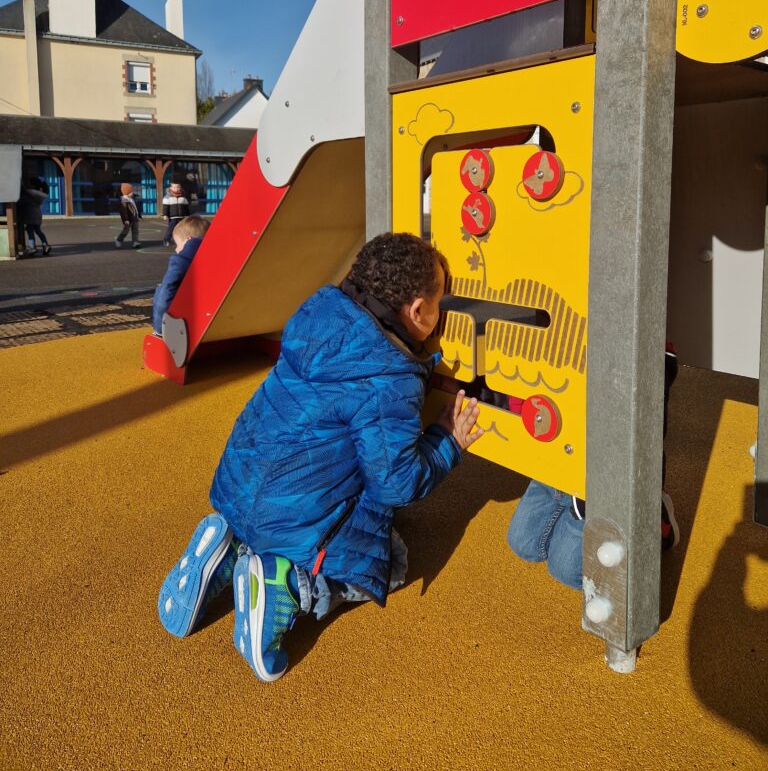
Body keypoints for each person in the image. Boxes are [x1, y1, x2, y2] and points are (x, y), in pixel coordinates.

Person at [157, 232, 483, 682]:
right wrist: (447, 440)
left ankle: (231, 546)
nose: (442, 314)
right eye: (440, 302)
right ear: (418, 311)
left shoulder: (316, 316)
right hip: (292, 518)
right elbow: (397, 483)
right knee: (393, 562)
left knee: (313, 461)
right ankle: (287, 584)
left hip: (239, 487)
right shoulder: (387, 378)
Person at [507, 348, 680, 589]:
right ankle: (566, 496)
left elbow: (639, 441)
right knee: (524, 543)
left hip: (602, 475)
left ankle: (651, 515)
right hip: (561, 452)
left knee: (566, 569)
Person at [152, 215, 210, 335]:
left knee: (162, 288)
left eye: (177, 244)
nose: (176, 250)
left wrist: (160, 329)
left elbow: (167, 290)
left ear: (189, 241)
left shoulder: (181, 262)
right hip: (208, 317)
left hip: (184, 327)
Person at [18, 176, 52, 256]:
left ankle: (32, 248)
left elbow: (22, 200)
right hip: (37, 214)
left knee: (30, 231)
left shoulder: (29, 192)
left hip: (30, 214)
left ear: (32, 185)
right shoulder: (40, 193)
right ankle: (45, 245)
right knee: (38, 231)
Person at [162, 181, 190, 246]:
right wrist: (165, 215)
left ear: (180, 188)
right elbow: (165, 207)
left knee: (182, 229)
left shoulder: (183, 196)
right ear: (171, 188)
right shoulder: (167, 197)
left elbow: (186, 207)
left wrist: (188, 215)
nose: (176, 188)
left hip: (181, 216)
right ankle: (166, 240)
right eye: (174, 187)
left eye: (178, 187)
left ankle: (181, 241)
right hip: (172, 217)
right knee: (171, 229)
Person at [115, 183, 141, 249]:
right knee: (126, 230)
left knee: (135, 230)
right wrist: (126, 219)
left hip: (135, 217)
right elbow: (124, 212)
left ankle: (135, 242)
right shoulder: (124, 200)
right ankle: (119, 240)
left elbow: (135, 206)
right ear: (126, 192)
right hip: (128, 219)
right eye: (131, 192)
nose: (132, 193)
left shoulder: (131, 198)